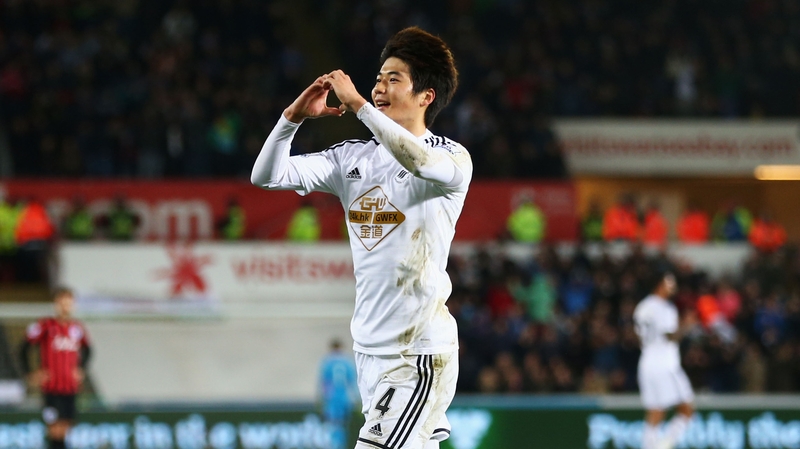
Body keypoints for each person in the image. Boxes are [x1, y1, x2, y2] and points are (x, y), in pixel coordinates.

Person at [251, 26, 470, 449]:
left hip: (417, 353)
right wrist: (291, 119)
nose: (379, 87)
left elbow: (420, 163)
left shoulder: (451, 157)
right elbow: (267, 175)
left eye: (394, 79)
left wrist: (359, 106)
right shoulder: (352, 158)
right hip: (369, 351)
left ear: (426, 96)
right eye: (378, 78)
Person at [19, 287, 92, 449]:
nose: (66, 307)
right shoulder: (45, 325)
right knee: (54, 428)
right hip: (51, 387)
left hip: (70, 387)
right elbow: (24, 348)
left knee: (65, 427)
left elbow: (88, 350)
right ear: (56, 304)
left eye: (69, 303)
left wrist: (80, 369)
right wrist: (30, 372)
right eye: (62, 303)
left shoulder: (77, 327)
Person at [633, 271, 695, 449]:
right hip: (665, 365)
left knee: (655, 411)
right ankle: (664, 445)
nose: (673, 286)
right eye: (669, 283)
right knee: (687, 410)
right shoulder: (665, 308)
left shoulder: (642, 307)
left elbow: (639, 337)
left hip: (646, 363)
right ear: (659, 284)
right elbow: (670, 336)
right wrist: (687, 325)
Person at [318, 339, 359, 449]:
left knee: (333, 425)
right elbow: (353, 381)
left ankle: (335, 445)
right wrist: (356, 398)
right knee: (343, 425)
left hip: (332, 398)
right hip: (344, 398)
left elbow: (324, 383)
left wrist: (322, 400)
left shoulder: (327, 362)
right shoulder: (347, 362)